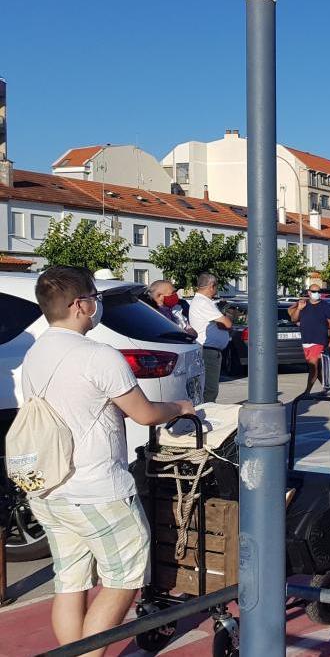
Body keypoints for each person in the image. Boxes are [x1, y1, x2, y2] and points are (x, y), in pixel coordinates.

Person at [21, 266, 195, 656]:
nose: (96, 306)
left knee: (70, 581)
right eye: (95, 299)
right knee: (124, 578)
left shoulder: (34, 354)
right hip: (98, 489)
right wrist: (181, 406)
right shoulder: (98, 356)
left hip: (50, 489)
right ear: (81, 304)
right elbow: (145, 413)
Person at [187, 273, 233, 403]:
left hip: (209, 349)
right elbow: (227, 323)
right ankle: (207, 415)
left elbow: (221, 325)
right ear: (212, 286)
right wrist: (228, 315)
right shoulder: (203, 302)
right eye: (216, 286)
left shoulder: (203, 301)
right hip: (208, 350)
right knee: (210, 388)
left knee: (208, 387)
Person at [288, 284, 330, 395]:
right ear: (309, 292)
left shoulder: (326, 306)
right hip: (306, 341)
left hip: (319, 340)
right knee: (316, 368)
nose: (317, 293)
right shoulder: (303, 305)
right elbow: (293, 319)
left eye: (318, 291)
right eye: (314, 291)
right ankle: (327, 387)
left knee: (313, 367)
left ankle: (307, 392)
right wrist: (299, 309)